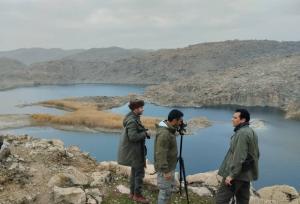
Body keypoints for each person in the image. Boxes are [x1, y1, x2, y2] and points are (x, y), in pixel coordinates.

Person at [215, 109, 260, 204]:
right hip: (246, 174)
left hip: (237, 175)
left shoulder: (242, 133)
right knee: (243, 200)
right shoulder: (251, 131)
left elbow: (239, 156)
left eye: (235, 117)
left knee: (221, 199)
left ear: (243, 120)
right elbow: (257, 154)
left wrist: (232, 175)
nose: (232, 119)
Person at [117, 99, 150, 203]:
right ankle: (138, 195)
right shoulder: (132, 121)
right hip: (135, 153)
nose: (143, 109)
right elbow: (133, 137)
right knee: (139, 174)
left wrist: (143, 131)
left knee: (134, 172)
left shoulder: (134, 117)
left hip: (134, 151)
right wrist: (144, 134)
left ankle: (132, 193)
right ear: (136, 109)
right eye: (141, 107)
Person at [154, 109, 184, 204]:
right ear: (174, 120)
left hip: (169, 166)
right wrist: (166, 171)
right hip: (165, 169)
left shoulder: (168, 129)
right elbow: (160, 153)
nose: (181, 123)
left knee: (167, 191)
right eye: (180, 121)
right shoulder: (164, 134)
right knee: (164, 193)